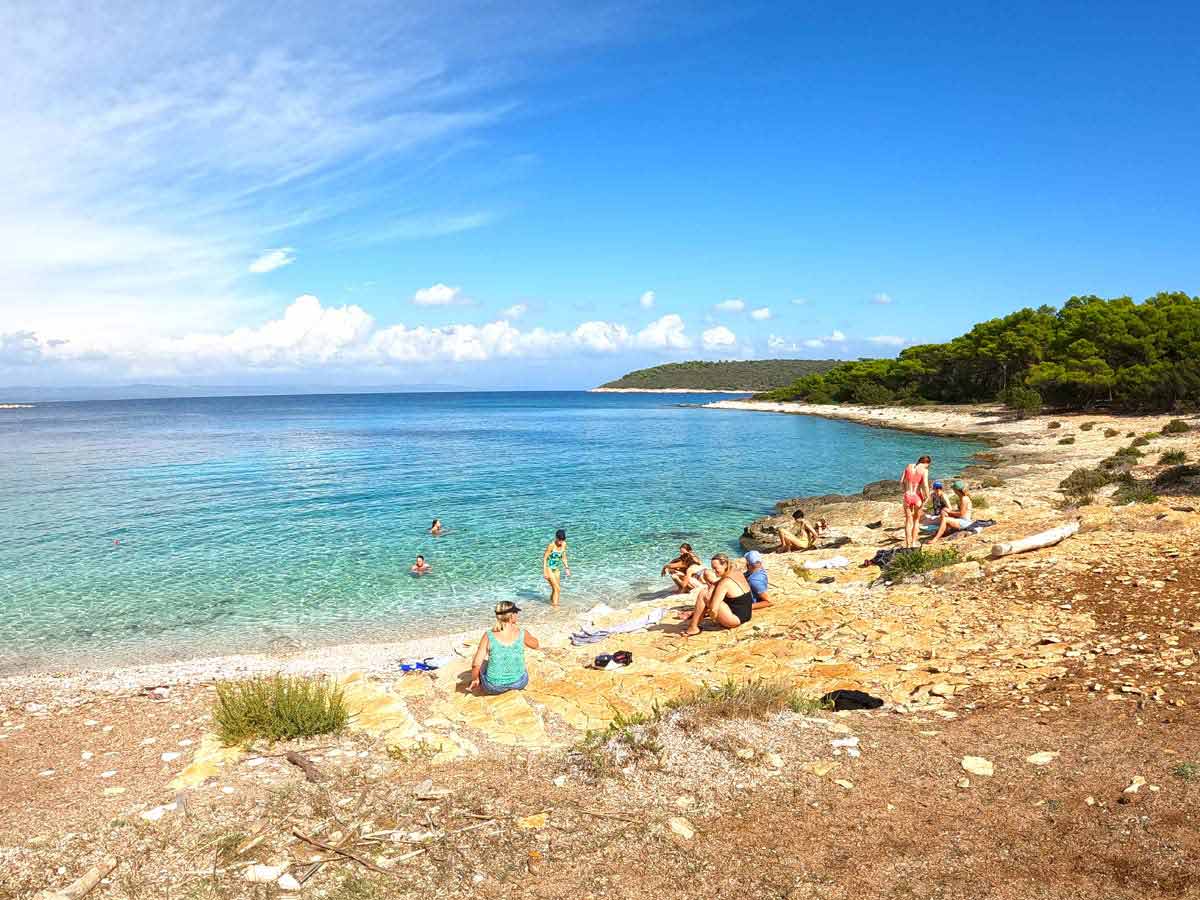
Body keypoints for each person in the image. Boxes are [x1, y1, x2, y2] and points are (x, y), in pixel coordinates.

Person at [469, 601, 540, 694]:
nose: (517, 615)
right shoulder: (522, 633)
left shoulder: (488, 635)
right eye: (516, 612)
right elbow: (536, 645)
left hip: (493, 687)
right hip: (519, 683)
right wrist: (525, 635)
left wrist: (475, 679)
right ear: (511, 615)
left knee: (482, 663)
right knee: (522, 668)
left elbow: (476, 664)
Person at [682, 553, 754, 636]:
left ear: (725, 565)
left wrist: (711, 615)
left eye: (715, 568)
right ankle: (694, 623)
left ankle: (693, 628)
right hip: (747, 615)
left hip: (734, 620)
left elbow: (713, 609)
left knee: (704, 593)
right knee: (709, 593)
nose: (714, 571)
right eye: (712, 568)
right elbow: (718, 583)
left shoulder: (724, 583)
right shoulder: (736, 572)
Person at [900, 455, 932, 548]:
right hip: (917, 496)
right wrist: (928, 496)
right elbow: (925, 485)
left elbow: (901, 481)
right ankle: (913, 543)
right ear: (927, 463)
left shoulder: (909, 466)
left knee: (908, 521)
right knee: (916, 520)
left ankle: (907, 544)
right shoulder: (925, 470)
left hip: (907, 495)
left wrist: (905, 491)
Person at [542, 529, 570, 607]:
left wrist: (567, 568)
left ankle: (552, 602)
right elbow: (545, 558)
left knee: (555, 589)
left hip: (556, 569)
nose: (561, 542)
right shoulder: (551, 545)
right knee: (557, 589)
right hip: (549, 568)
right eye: (559, 540)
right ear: (556, 538)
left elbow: (563, 557)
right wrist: (544, 571)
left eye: (562, 540)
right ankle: (555, 607)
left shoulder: (564, 544)